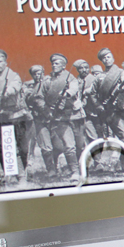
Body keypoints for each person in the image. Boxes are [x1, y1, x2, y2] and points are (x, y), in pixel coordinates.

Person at [0, 49, 30, 184]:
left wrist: (8, 92)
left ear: (5, 62)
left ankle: (23, 170)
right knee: (9, 147)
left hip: (18, 116)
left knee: (23, 148)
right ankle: (18, 176)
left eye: (0, 61)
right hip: (3, 117)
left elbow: (15, 86)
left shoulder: (13, 75)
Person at [42, 53, 80, 182]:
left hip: (70, 116)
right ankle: (62, 170)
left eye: (57, 63)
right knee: (59, 145)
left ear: (64, 66)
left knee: (75, 145)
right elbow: (41, 95)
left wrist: (67, 93)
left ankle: (77, 170)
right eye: (53, 63)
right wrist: (46, 110)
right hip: (54, 117)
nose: (54, 65)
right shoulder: (48, 80)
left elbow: (74, 88)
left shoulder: (70, 77)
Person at [96, 47, 124, 170]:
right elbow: (92, 92)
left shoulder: (121, 72)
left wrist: (123, 88)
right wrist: (99, 105)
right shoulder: (100, 76)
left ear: (113, 58)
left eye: (108, 57)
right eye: (104, 58)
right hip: (111, 112)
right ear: (102, 61)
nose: (107, 59)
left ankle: (123, 162)